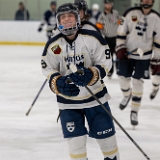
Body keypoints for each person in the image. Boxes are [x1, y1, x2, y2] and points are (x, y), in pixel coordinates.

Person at [41, 3, 119, 160]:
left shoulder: (92, 38)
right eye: (63, 17)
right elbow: (48, 67)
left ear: (77, 18)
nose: (67, 20)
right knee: (76, 148)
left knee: (108, 145)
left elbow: (105, 62)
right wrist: (56, 82)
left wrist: (92, 74)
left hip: (96, 100)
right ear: (58, 21)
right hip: (67, 103)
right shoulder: (54, 45)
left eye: (70, 16)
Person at [116, 0, 160, 126]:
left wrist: (157, 59)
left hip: (144, 56)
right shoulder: (129, 12)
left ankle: (134, 111)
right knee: (123, 78)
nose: (146, 1)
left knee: (137, 82)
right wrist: (120, 47)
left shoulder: (156, 18)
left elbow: (158, 40)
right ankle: (126, 95)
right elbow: (121, 30)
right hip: (128, 53)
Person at [97, 0, 120, 78]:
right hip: (107, 37)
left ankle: (119, 70)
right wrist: (101, 31)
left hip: (116, 37)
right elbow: (98, 26)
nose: (108, 6)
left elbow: (121, 22)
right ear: (104, 5)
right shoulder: (101, 15)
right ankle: (110, 71)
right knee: (109, 55)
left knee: (119, 54)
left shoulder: (116, 13)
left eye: (110, 4)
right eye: (107, 4)